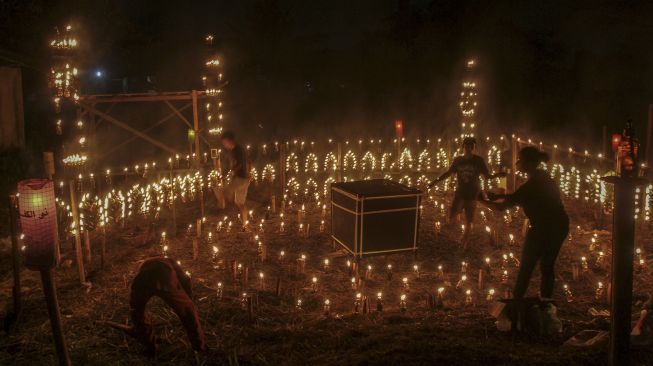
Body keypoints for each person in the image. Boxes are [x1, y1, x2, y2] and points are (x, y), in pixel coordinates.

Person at [481, 146, 569, 299]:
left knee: (526, 268)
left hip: (543, 229)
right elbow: (517, 197)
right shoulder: (544, 178)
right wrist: (497, 197)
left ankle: (516, 303)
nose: (517, 163)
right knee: (547, 267)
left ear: (529, 164)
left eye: (520, 160)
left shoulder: (531, 186)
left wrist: (481, 201)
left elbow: (502, 207)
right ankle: (545, 303)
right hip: (560, 226)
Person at [127, 257, 206, 355]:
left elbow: (135, 305)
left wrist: (136, 319)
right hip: (163, 276)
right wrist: (188, 300)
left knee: (137, 311)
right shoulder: (171, 263)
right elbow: (185, 280)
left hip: (144, 279)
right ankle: (199, 347)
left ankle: (149, 345)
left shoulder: (152, 265)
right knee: (188, 311)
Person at [428, 137, 500, 231]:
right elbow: (449, 173)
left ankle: (465, 240)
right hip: (460, 192)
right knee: (452, 214)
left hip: (473, 193)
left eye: (471, 146)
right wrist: (436, 181)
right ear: (463, 146)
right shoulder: (458, 160)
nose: (469, 148)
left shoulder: (478, 160)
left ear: (473, 147)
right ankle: (451, 237)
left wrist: (497, 175)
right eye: (467, 145)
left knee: (469, 219)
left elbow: (487, 176)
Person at [214, 131, 250, 224]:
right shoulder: (239, 149)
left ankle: (220, 207)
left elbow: (239, 164)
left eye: (224, 142)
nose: (224, 145)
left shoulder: (237, 150)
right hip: (245, 179)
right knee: (240, 203)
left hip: (239, 179)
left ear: (229, 141)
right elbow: (247, 162)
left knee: (221, 191)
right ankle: (245, 225)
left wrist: (231, 172)